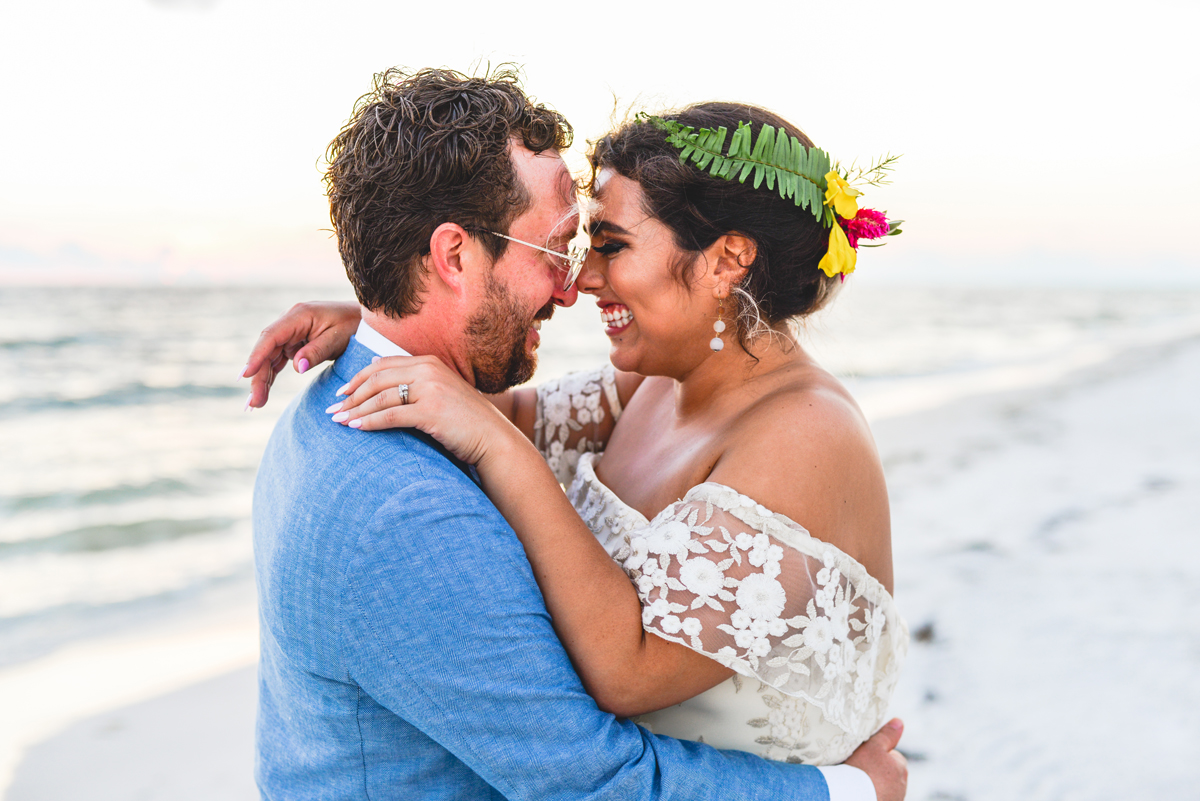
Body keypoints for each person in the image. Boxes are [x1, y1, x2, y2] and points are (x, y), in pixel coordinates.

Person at [246, 66, 907, 801]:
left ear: (726, 261)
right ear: (453, 257)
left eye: (611, 244)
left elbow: (628, 669)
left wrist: (850, 790)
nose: (581, 279)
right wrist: (383, 317)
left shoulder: (806, 436)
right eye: (572, 245)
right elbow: (511, 413)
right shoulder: (652, 383)